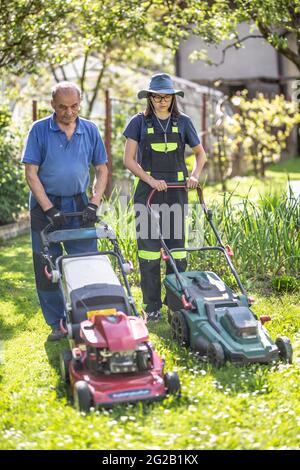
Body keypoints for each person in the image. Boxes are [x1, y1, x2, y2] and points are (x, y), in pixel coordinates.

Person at [22, 81, 108, 341]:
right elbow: (31, 173)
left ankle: (91, 315)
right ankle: (58, 323)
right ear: (52, 105)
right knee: (47, 265)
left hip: (80, 203)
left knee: (87, 261)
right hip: (44, 205)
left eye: (74, 106)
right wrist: (49, 209)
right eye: (63, 107)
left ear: (79, 104)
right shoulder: (39, 130)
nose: (69, 112)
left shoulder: (90, 130)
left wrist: (94, 202)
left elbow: (102, 170)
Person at [123, 73, 207, 321]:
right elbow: (128, 160)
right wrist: (150, 180)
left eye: (166, 97)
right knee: (148, 252)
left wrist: (194, 176)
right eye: (156, 96)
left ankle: (176, 304)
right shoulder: (138, 123)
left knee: (176, 251)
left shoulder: (184, 123)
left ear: (173, 98)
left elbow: (200, 155)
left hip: (176, 193)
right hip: (148, 194)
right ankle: (152, 308)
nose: (161, 101)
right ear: (149, 98)